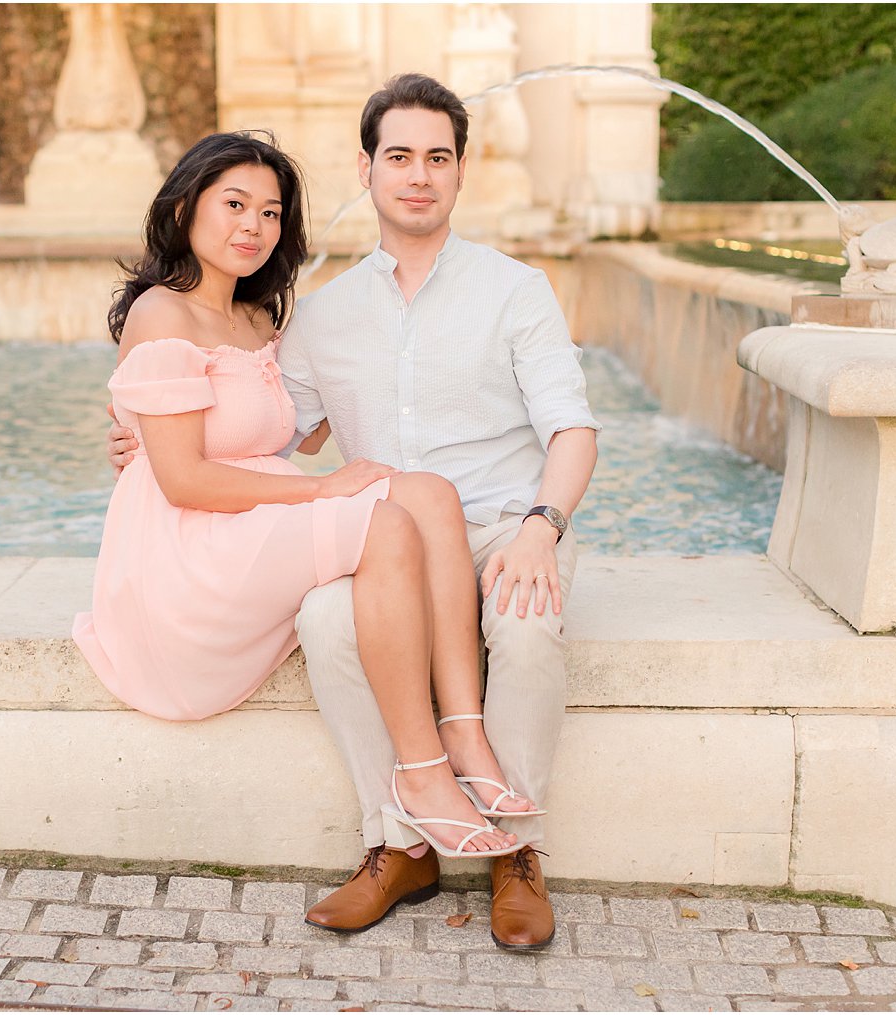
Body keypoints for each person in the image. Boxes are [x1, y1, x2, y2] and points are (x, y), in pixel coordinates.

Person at [109, 77, 600, 950]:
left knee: (524, 624)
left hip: (504, 524)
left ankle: (513, 854)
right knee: (327, 617)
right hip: (387, 534)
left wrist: (542, 527)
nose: (419, 175)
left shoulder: (514, 289)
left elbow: (573, 430)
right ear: (367, 169)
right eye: (399, 157)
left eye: (438, 158)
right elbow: (265, 429)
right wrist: (144, 435)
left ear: (460, 171)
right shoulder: (318, 315)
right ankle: (399, 841)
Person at [75, 130, 539, 860]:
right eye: (234, 204)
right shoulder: (162, 313)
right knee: (386, 527)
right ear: (186, 206)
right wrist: (324, 492)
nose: (252, 226)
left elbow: (311, 421)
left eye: (270, 212)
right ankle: (421, 775)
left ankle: (465, 733)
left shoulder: (260, 320)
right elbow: (184, 477)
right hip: (191, 545)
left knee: (429, 494)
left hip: (252, 514)